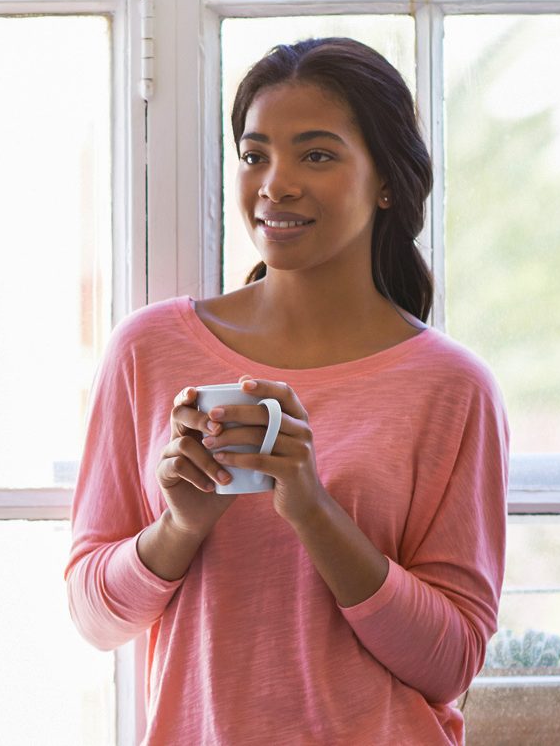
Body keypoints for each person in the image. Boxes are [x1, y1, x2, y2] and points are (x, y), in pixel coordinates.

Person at [65, 38, 509, 743]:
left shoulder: (451, 388)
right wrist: (179, 526)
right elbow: (94, 615)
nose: (275, 183)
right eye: (254, 155)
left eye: (317, 154)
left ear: (386, 181)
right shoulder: (147, 352)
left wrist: (311, 507)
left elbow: (450, 660)